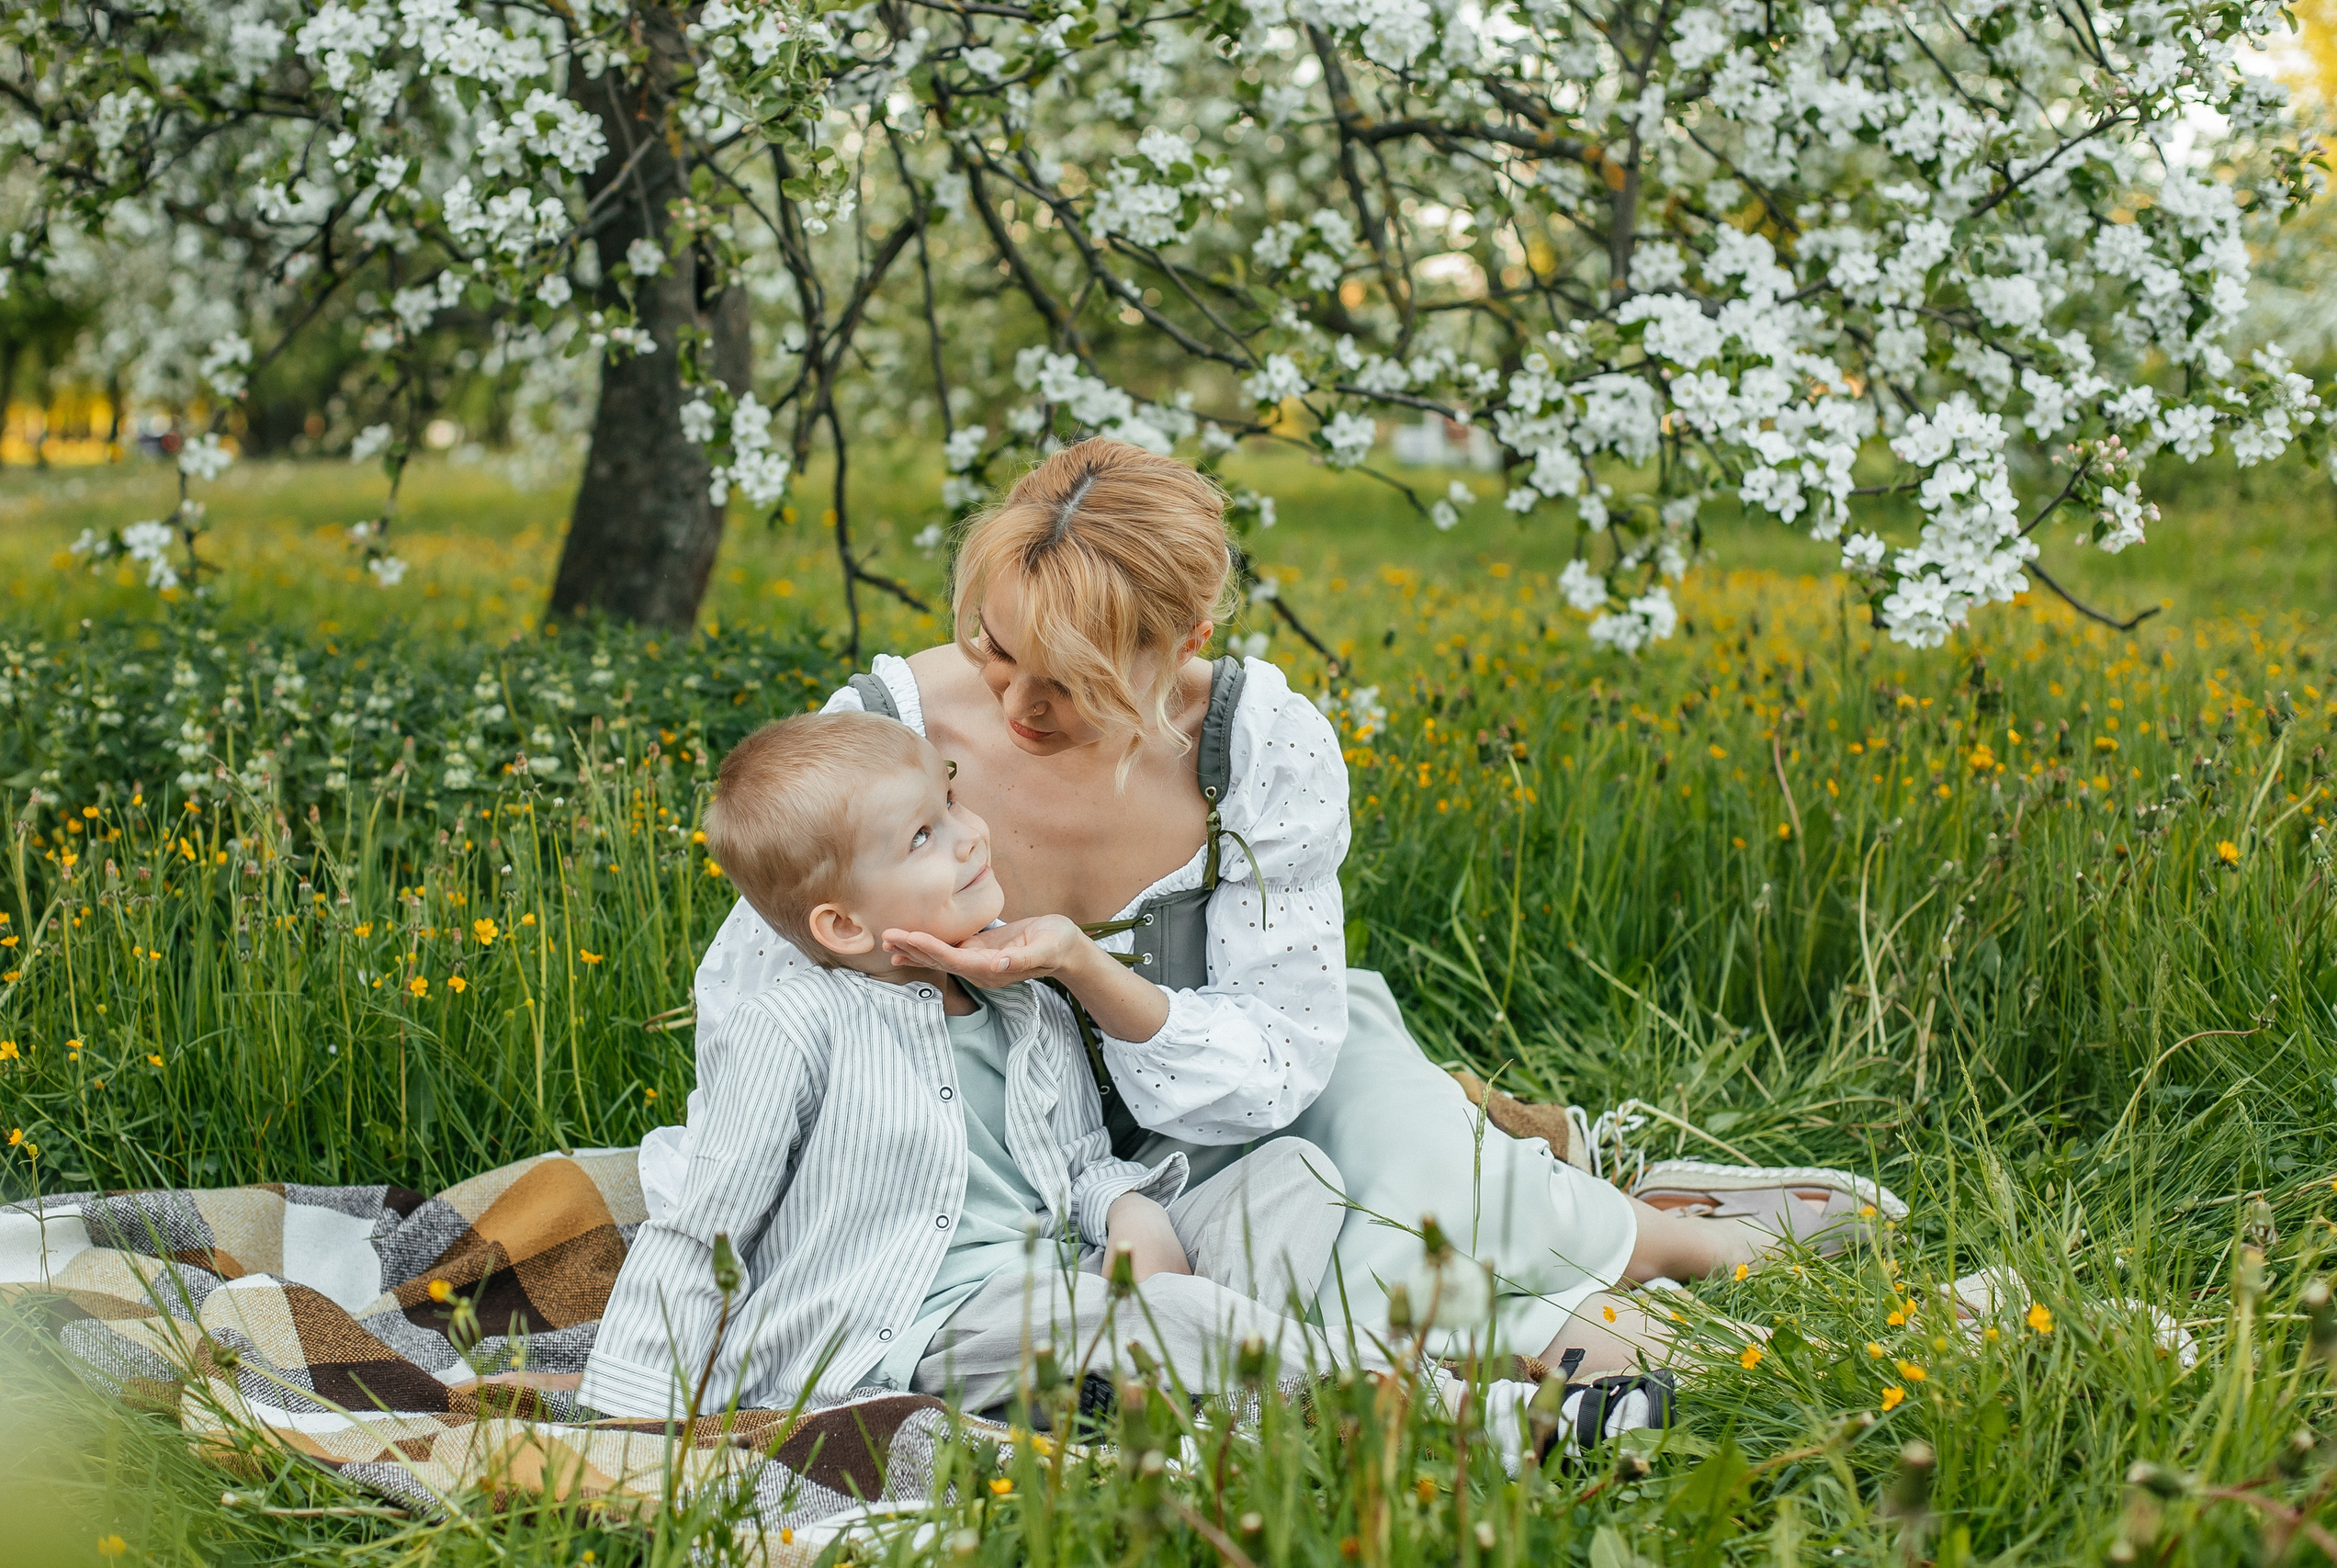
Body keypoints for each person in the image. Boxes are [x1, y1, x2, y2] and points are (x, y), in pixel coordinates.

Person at [669, 438, 1886, 1382]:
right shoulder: (889, 723)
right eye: (997, 653)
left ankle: (1682, 1240)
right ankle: (1592, 1317)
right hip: (1006, 1135)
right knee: (1359, 1266)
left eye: (1077, 684)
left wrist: (1096, 972)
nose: (1022, 709)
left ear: (1185, 644)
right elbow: (766, 974)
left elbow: (1277, 1058)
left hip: (1237, 1078)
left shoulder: (1257, 747)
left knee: (1402, 1181)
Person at [581, 709, 1361, 1417]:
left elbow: (1076, 1166)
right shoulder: (794, 1027)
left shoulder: (1026, 1001)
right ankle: (1402, 1395)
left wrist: (1131, 1211)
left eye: (950, 802)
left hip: (1066, 1275)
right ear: (844, 924)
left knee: (1297, 1172)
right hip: (926, 1325)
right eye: (923, 836)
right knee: (1130, 1313)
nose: (971, 834)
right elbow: (704, 1225)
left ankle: (1192, 1396)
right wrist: (633, 1413)